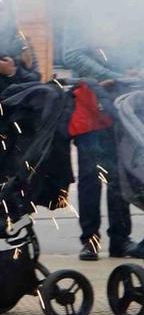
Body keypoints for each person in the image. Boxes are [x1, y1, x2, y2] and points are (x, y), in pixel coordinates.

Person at [61, 39, 135, 259]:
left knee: (118, 182)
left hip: (116, 112)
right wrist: (111, 74)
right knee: (90, 182)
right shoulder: (82, 22)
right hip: (88, 114)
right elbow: (73, 55)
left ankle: (120, 241)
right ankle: (90, 240)